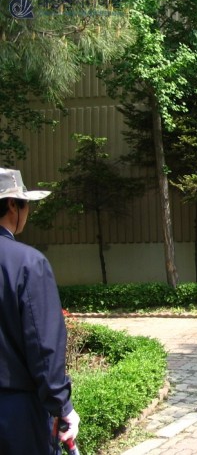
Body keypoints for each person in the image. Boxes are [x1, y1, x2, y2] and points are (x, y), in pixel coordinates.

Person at [0, 167, 80, 454]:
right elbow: (44, 346)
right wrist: (62, 406)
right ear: (13, 205)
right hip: (15, 412)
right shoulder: (27, 263)